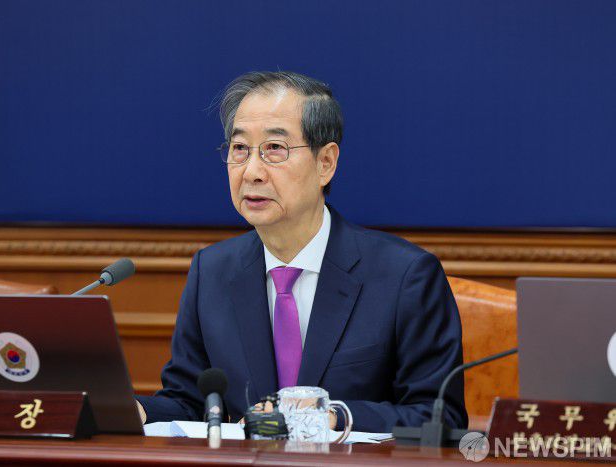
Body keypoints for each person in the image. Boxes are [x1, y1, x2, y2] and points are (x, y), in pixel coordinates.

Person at [136, 71, 467, 432]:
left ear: (325, 163)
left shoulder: (405, 276)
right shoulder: (212, 271)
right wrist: (131, 409)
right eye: (240, 149)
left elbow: (440, 418)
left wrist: (335, 415)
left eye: (274, 149)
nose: (252, 172)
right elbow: (189, 402)